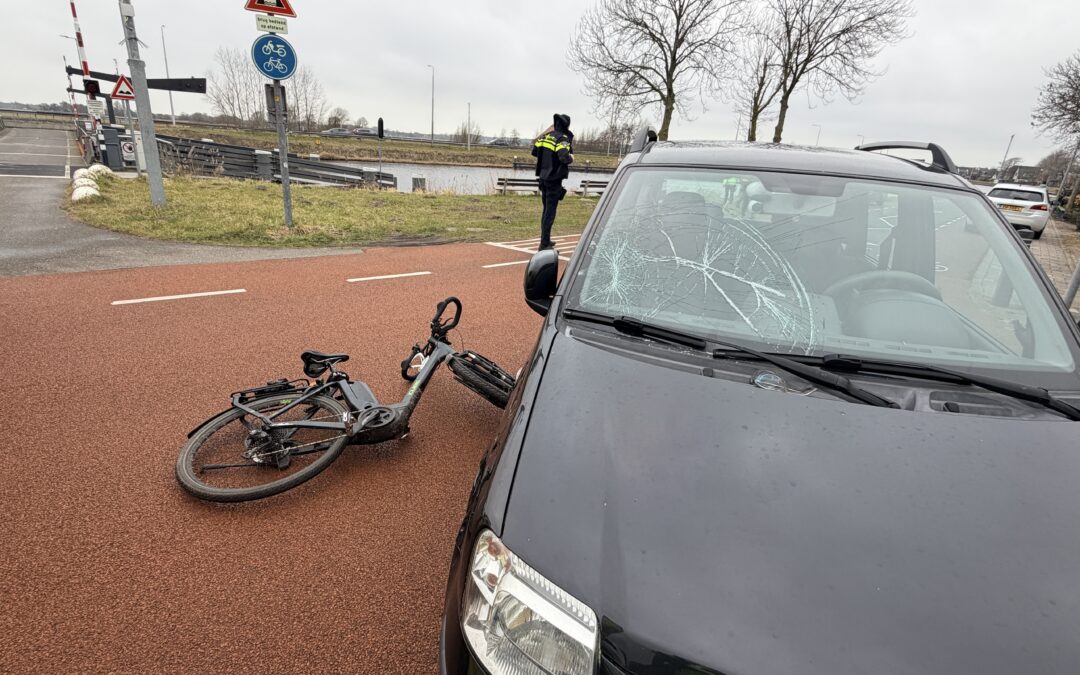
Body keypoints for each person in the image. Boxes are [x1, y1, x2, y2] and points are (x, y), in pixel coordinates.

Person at [531, 114, 574, 250]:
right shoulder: (563, 139)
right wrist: (571, 158)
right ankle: (544, 244)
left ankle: (546, 239)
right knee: (550, 212)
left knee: (546, 211)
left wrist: (547, 158)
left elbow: (534, 151)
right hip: (554, 179)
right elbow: (563, 157)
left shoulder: (545, 137)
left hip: (543, 178)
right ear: (566, 125)